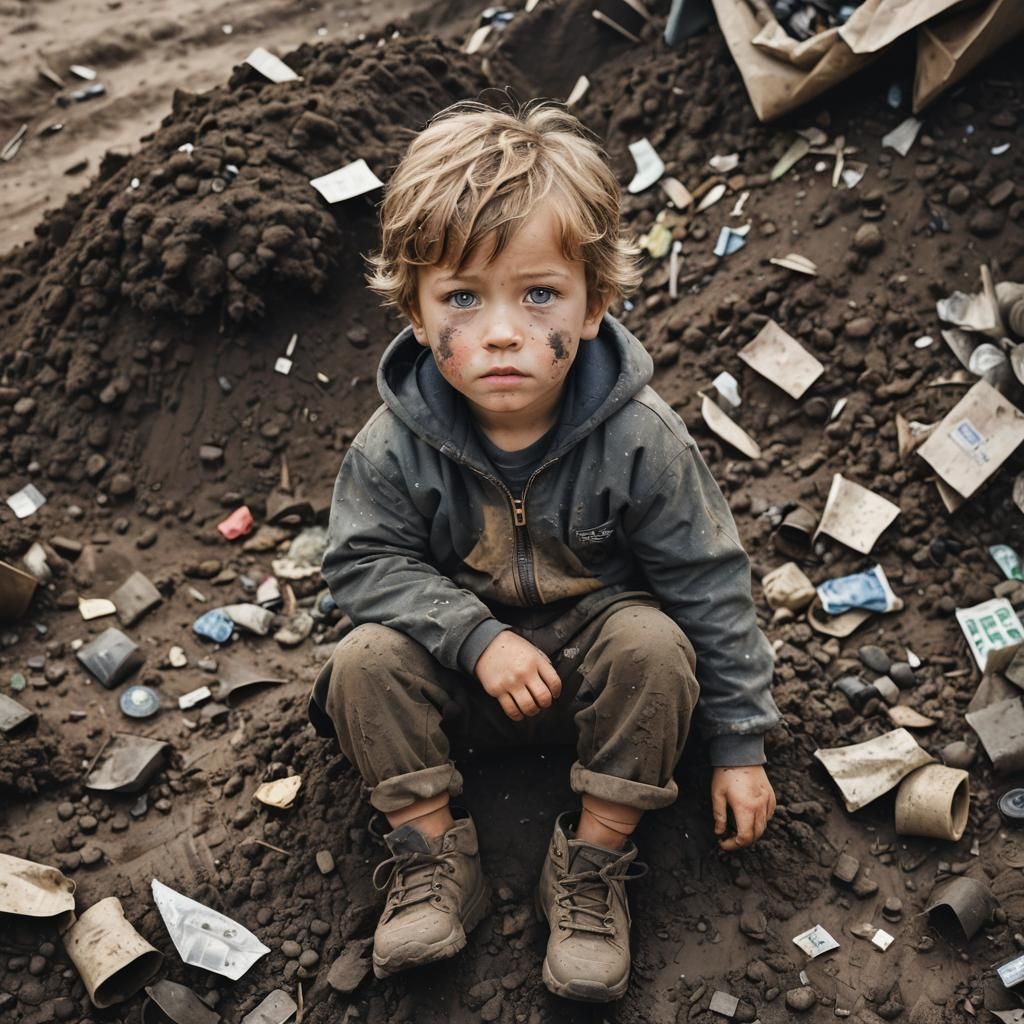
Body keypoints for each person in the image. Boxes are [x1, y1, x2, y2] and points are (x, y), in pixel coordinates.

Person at [308, 101, 780, 1003]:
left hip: (596, 679)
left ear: (595, 304)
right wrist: (475, 638)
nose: (499, 331)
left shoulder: (642, 440)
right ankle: (432, 855)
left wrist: (739, 744)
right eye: (461, 298)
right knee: (362, 661)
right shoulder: (391, 446)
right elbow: (363, 566)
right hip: (464, 684)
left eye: (538, 294)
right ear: (413, 311)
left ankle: (595, 866)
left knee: (653, 645)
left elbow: (709, 582)